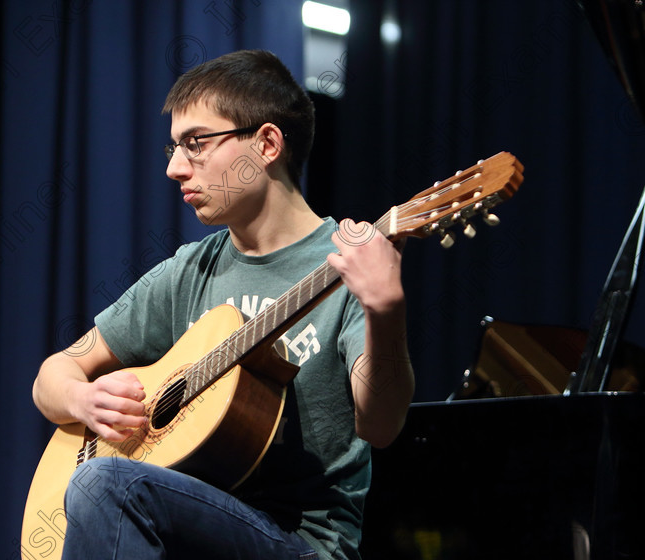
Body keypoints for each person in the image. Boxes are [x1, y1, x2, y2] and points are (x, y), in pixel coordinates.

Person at [32, 49, 414, 560]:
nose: (173, 168)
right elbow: (52, 375)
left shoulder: (348, 264)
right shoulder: (190, 270)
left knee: (107, 483)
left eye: (195, 144)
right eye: (173, 147)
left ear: (267, 143)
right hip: (186, 530)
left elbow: (382, 425)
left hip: (301, 545)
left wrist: (385, 309)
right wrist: (83, 401)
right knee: (103, 480)